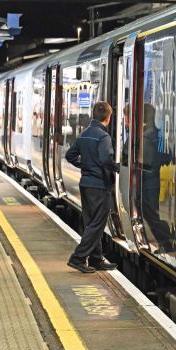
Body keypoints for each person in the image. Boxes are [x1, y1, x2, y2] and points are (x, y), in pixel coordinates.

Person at [64, 101, 119, 273]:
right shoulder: (103, 137)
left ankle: (96, 259)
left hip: (86, 184)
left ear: (94, 115)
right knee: (97, 223)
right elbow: (105, 160)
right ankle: (78, 258)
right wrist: (118, 168)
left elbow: (70, 155)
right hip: (99, 185)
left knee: (91, 223)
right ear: (108, 118)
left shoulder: (85, 134)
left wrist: (84, 165)